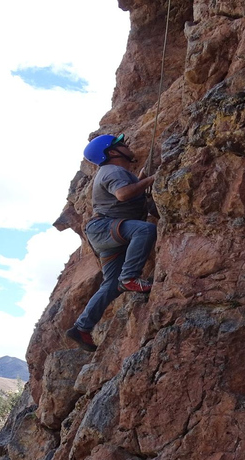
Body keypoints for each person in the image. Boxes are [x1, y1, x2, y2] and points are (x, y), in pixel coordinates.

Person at [66, 133, 157, 352]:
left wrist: (142, 179)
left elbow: (130, 190)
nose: (128, 145)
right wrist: (152, 179)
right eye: (121, 144)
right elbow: (123, 194)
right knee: (145, 230)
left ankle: (82, 327)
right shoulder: (112, 171)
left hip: (103, 233)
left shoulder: (115, 172)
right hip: (105, 228)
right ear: (112, 152)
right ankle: (130, 277)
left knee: (110, 284)